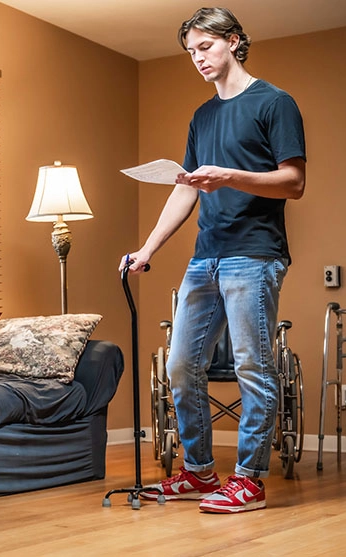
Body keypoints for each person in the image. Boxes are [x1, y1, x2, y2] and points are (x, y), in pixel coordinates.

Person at [120, 7, 305, 513]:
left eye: (205, 47)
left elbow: (294, 182)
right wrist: (147, 249)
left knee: (253, 366)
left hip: (255, 255)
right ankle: (200, 472)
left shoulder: (275, 102)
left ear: (234, 40)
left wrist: (230, 176)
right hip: (205, 259)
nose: (198, 58)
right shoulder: (202, 116)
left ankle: (249, 480)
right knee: (181, 365)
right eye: (191, 52)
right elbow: (186, 191)